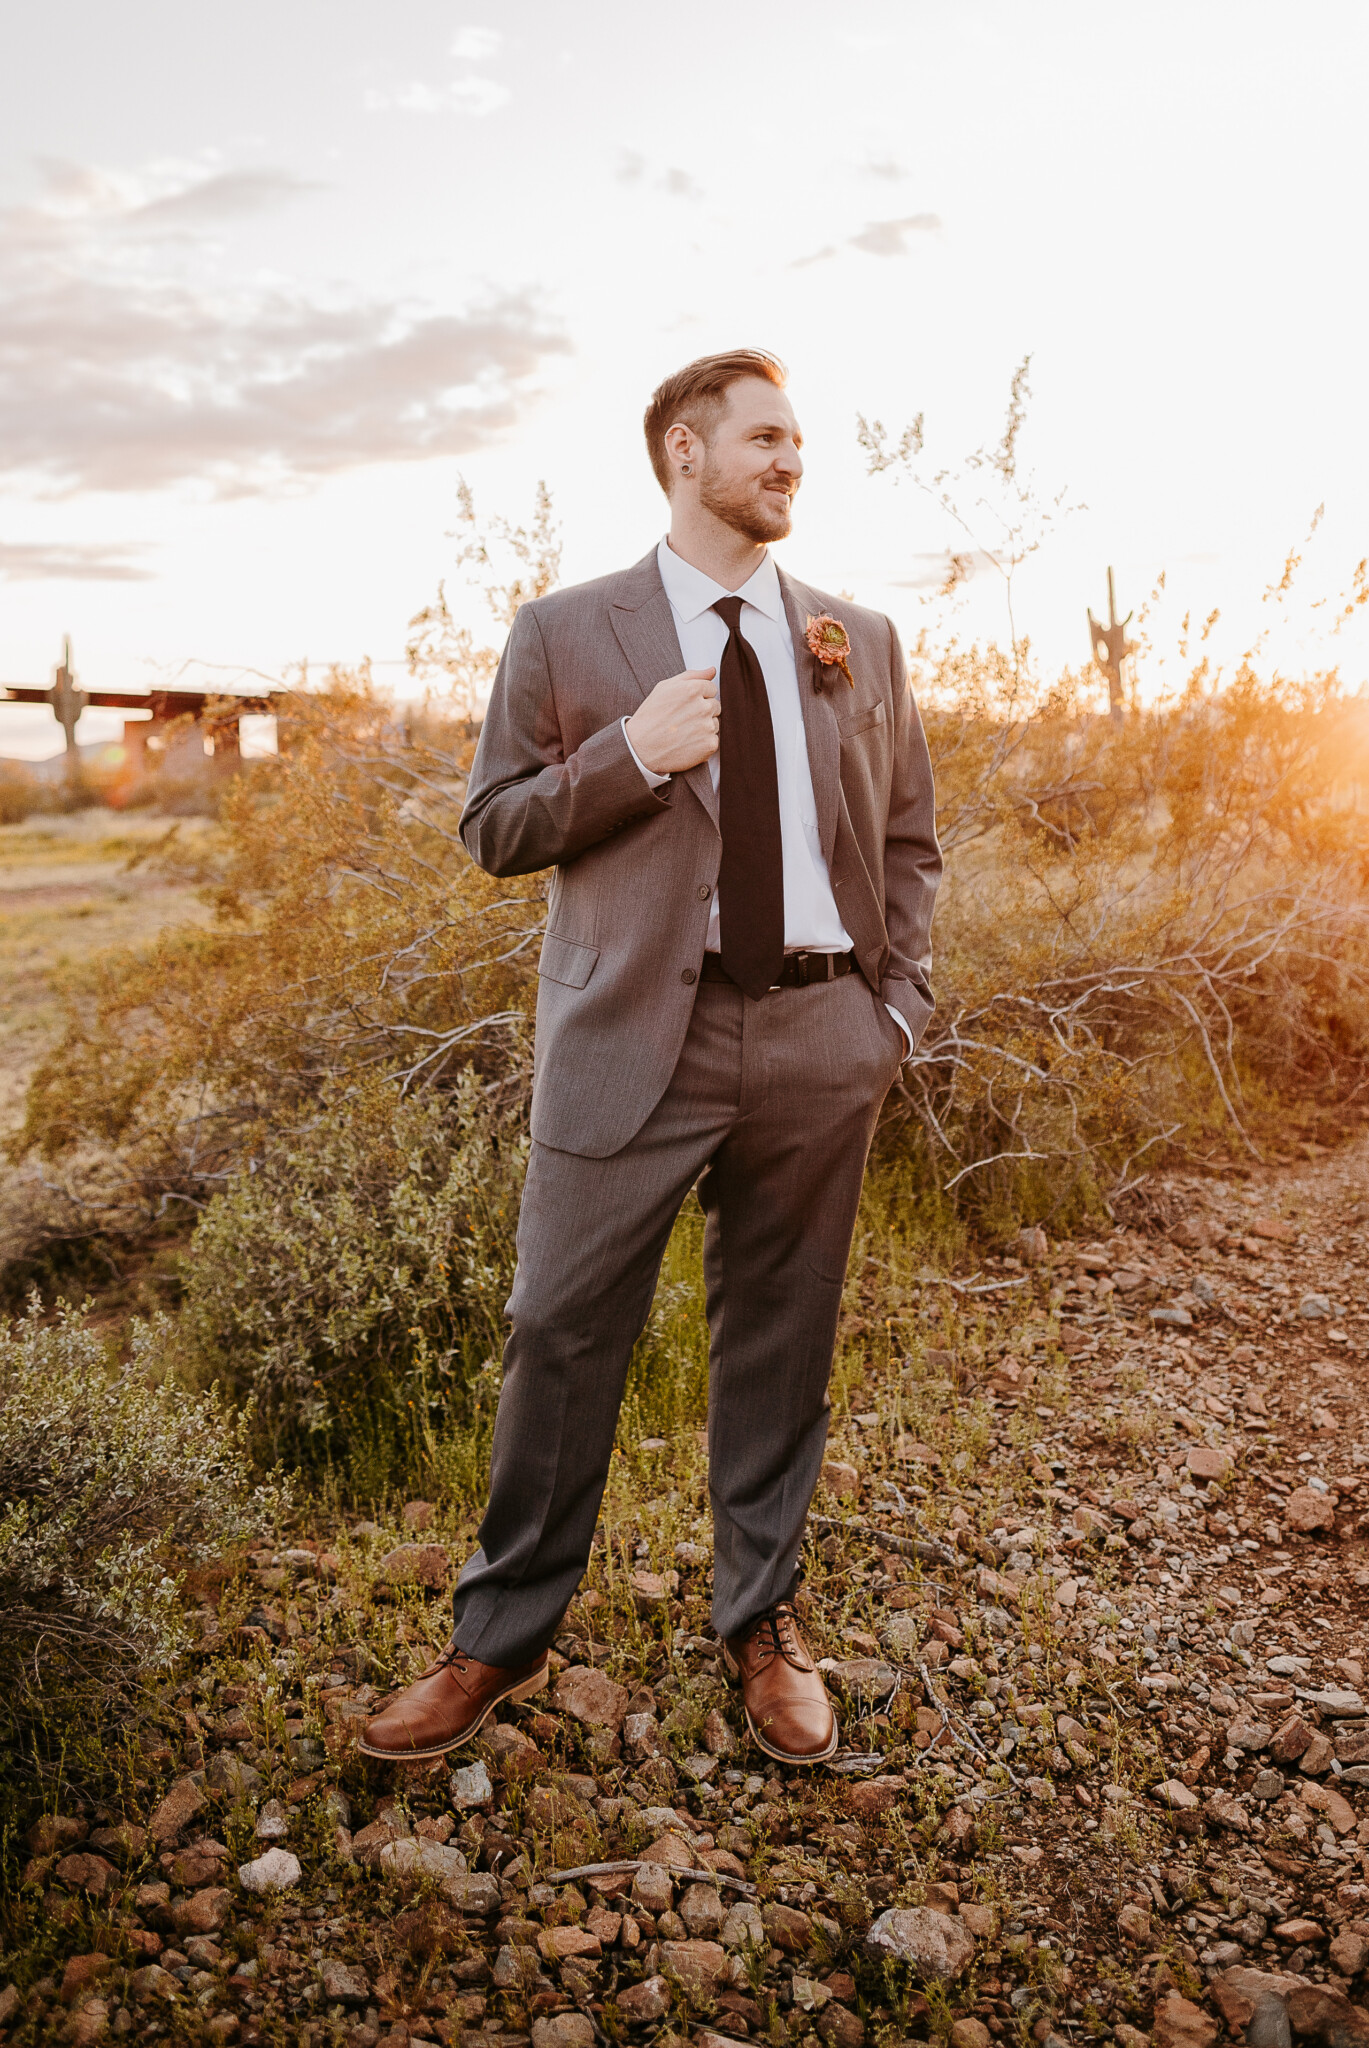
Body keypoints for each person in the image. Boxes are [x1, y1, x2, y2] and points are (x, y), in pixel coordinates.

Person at [361, 348, 942, 1768]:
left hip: (820, 1035)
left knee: (780, 1340)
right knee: (559, 1333)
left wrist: (893, 1013)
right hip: (629, 1042)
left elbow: (910, 838)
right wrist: (628, 751)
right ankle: (497, 1640)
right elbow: (494, 827)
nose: (790, 461)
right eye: (763, 438)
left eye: (798, 440)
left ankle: (759, 1619)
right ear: (683, 451)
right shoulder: (566, 632)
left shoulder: (854, 634)